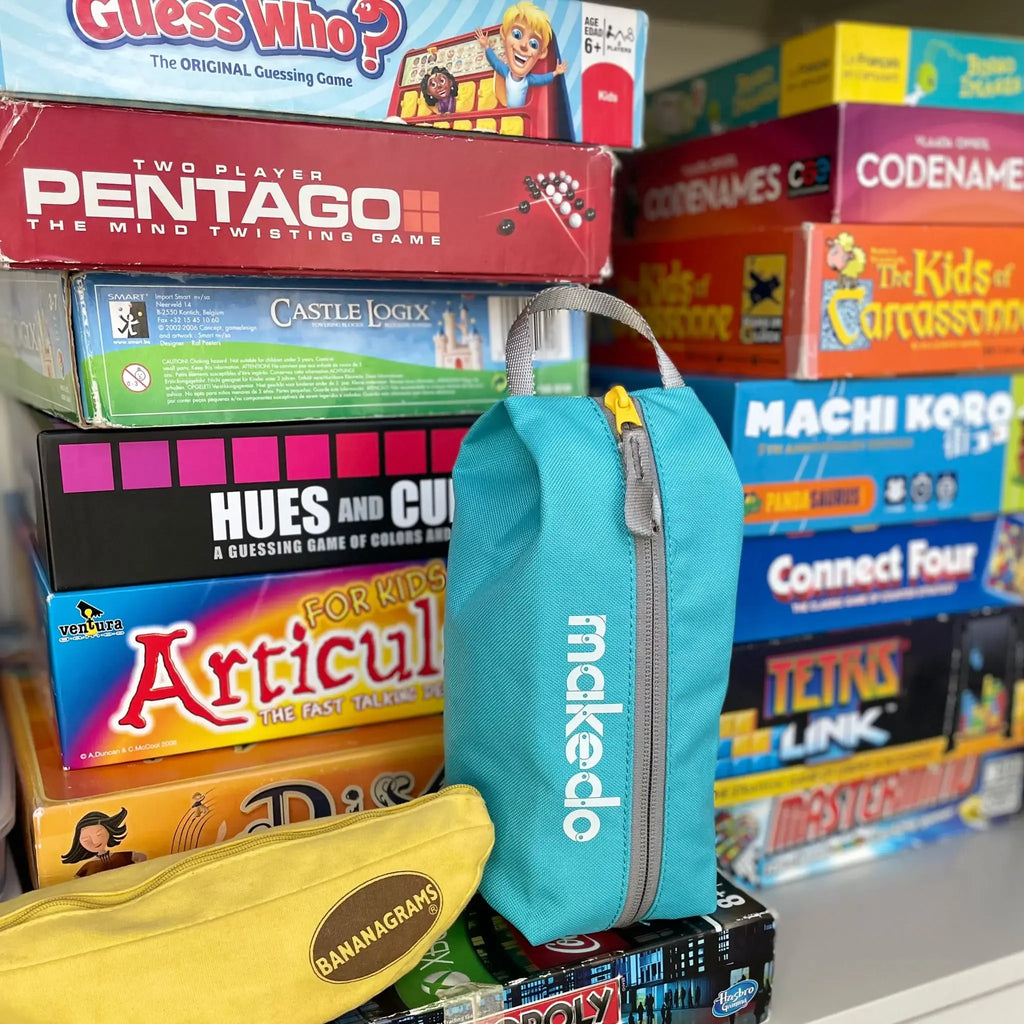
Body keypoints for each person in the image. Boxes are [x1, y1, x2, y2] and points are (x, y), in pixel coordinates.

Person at [474, 2, 567, 109]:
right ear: (504, 35)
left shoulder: (528, 80)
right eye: (517, 34)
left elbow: (542, 79)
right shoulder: (506, 72)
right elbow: (495, 62)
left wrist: (555, 73)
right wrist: (486, 46)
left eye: (533, 44)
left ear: (541, 53)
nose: (523, 45)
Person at [61, 808, 147, 877]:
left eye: (99, 834)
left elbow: (143, 857)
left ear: (109, 831)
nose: (94, 842)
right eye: (86, 840)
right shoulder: (88, 865)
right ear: (79, 843)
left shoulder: (123, 855)